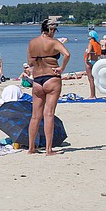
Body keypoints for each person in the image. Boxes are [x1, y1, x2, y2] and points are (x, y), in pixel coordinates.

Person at [27, 19, 70, 156]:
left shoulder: (32, 43)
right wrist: (62, 68)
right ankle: (48, 149)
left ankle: (31, 148)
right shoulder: (54, 42)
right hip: (51, 77)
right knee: (49, 114)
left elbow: (30, 63)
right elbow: (67, 54)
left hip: (37, 80)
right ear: (51, 30)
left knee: (35, 116)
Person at [83, 31, 102, 99]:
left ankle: (92, 95)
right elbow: (99, 54)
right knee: (93, 79)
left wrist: (86, 60)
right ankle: (94, 94)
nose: (88, 36)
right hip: (95, 61)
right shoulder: (97, 44)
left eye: (89, 35)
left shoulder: (90, 43)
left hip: (90, 62)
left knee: (90, 79)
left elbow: (88, 52)